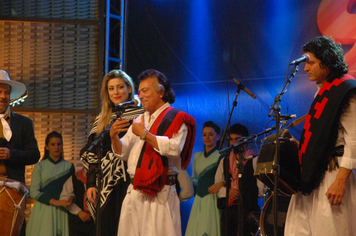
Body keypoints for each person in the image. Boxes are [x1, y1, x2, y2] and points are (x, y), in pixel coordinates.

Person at [284, 36, 356, 235]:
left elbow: (354, 139)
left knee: (329, 229)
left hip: (333, 173)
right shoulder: (323, 91)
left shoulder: (346, 91)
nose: (306, 68)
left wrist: (340, 182)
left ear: (327, 61)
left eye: (311, 62)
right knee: (298, 229)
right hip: (313, 173)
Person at [110, 69, 196, 236]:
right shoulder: (140, 119)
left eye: (145, 90)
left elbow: (174, 149)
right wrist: (113, 136)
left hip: (160, 193)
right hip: (134, 191)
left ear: (161, 92)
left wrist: (144, 134)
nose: (140, 96)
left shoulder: (177, 117)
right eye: (139, 91)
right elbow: (123, 153)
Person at [81, 70, 144, 236]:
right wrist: (91, 183)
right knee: (106, 228)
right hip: (105, 182)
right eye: (111, 88)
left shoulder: (141, 115)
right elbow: (91, 154)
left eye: (120, 87)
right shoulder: (103, 118)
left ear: (129, 88)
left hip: (131, 180)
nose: (116, 92)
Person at [0, 70, 40, 236]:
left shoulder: (24, 123)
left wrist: (12, 154)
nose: (3, 96)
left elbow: (34, 154)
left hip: (13, 192)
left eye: (6, 93)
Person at [26, 131, 75, 236]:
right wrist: (55, 202)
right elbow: (34, 192)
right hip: (43, 210)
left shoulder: (69, 167)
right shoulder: (40, 166)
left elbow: (72, 190)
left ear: (62, 146)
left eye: (59, 144)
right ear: (47, 147)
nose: (56, 147)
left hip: (63, 211)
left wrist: (70, 198)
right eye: (53, 144)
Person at [215, 123, 260, 236]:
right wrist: (228, 192)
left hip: (248, 211)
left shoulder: (254, 160)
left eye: (237, 139)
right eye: (231, 139)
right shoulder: (224, 161)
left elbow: (261, 188)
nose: (233, 142)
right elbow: (217, 186)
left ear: (245, 140)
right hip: (229, 211)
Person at [185, 121, 224, 236]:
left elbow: (225, 179)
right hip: (198, 199)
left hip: (212, 199)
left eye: (211, 134)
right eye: (204, 134)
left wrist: (222, 183)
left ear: (218, 136)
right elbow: (194, 178)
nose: (207, 137)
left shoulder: (221, 156)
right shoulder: (197, 156)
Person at [60, 166, 95, 236]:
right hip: (78, 223)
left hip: (97, 222)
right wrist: (79, 212)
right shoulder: (75, 177)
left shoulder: (101, 177)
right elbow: (64, 199)